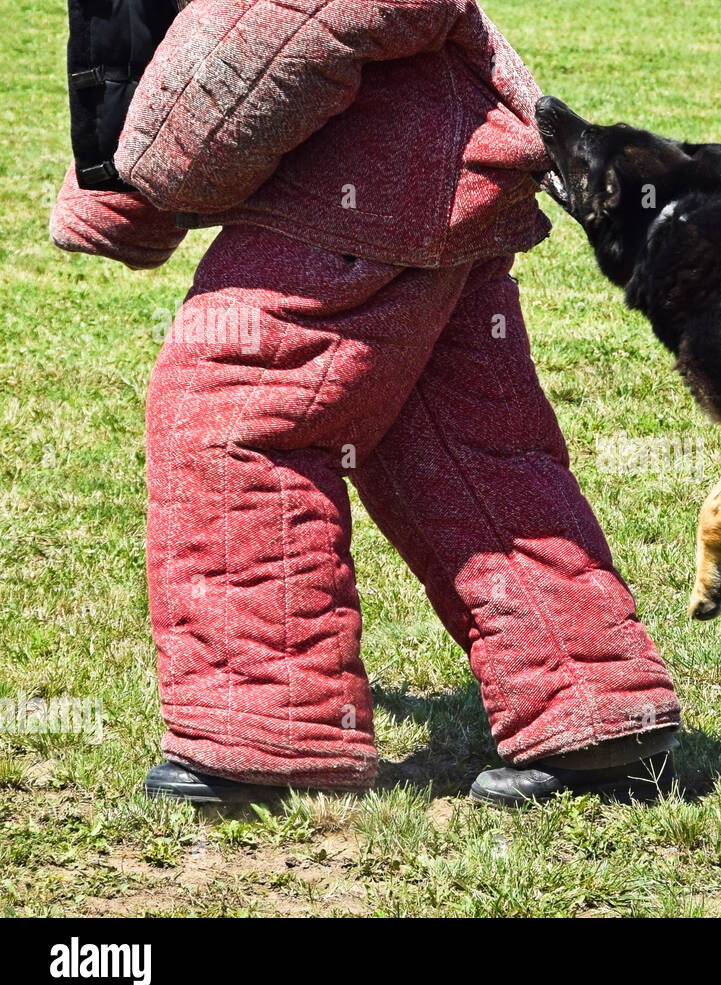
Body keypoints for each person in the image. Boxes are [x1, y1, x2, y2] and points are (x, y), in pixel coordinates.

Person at [50, 0, 681, 805]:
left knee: (236, 415)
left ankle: (263, 727)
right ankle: (599, 712)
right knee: (461, 447)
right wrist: (116, 181)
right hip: (434, 166)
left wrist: (144, 174)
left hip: (364, 180)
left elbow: (282, 16)